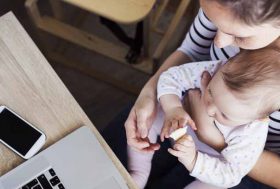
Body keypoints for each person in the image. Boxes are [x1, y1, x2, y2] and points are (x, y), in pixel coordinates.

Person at [124, 0, 280, 188]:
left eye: (237, 35)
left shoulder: (252, 132)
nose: (219, 42)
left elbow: (231, 172)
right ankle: (138, 173)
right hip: (181, 112)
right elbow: (189, 55)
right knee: (109, 154)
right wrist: (150, 94)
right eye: (215, 24)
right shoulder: (222, 8)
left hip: (243, 161)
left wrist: (209, 145)